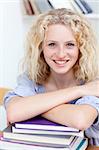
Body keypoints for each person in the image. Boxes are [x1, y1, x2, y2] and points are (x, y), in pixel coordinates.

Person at [4, 8, 99, 145]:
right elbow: (14, 112)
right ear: (41, 48)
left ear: (81, 49)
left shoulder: (92, 83)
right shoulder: (32, 77)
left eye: (70, 45)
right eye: (52, 44)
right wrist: (79, 91)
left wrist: (32, 107)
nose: (61, 54)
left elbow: (80, 120)